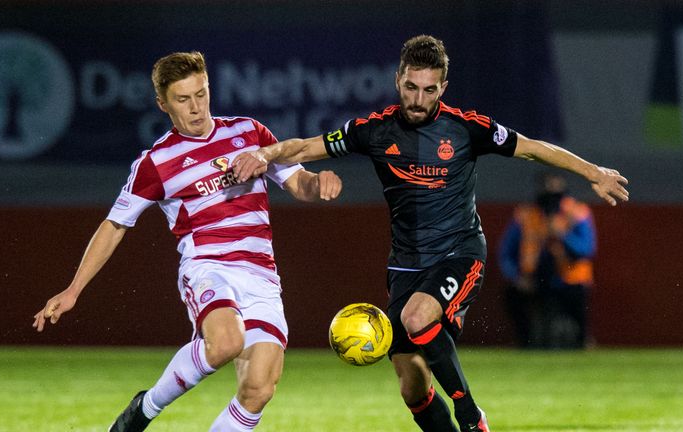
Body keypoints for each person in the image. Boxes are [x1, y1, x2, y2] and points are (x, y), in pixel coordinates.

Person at [232, 35, 629, 432]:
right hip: (405, 267)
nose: (419, 99)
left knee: (417, 317)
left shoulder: (466, 128)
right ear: (397, 80)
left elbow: (532, 148)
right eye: (411, 87)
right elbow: (304, 148)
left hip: (459, 253)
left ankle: (472, 418)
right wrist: (263, 154)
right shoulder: (373, 131)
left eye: (429, 90)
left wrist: (595, 173)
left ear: (443, 88)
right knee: (411, 384)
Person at [32, 51, 342, 432]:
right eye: (183, 99)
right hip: (209, 267)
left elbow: (300, 185)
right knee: (226, 342)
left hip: (261, 275)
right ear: (162, 103)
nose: (196, 107)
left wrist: (320, 182)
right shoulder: (156, 162)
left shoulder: (250, 133)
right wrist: (73, 289)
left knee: (259, 388)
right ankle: (146, 407)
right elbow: (115, 224)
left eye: (201, 94)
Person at [499, 172, 597, 349]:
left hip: (570, 279)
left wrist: (562, 234)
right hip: (534, 278)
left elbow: (586, 249)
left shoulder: (576, 213)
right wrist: (516, 276)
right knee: (513, 295)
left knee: (577, 300)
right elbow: (506, 253)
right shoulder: (526, 214)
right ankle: (525, 342)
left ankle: (582, 341)